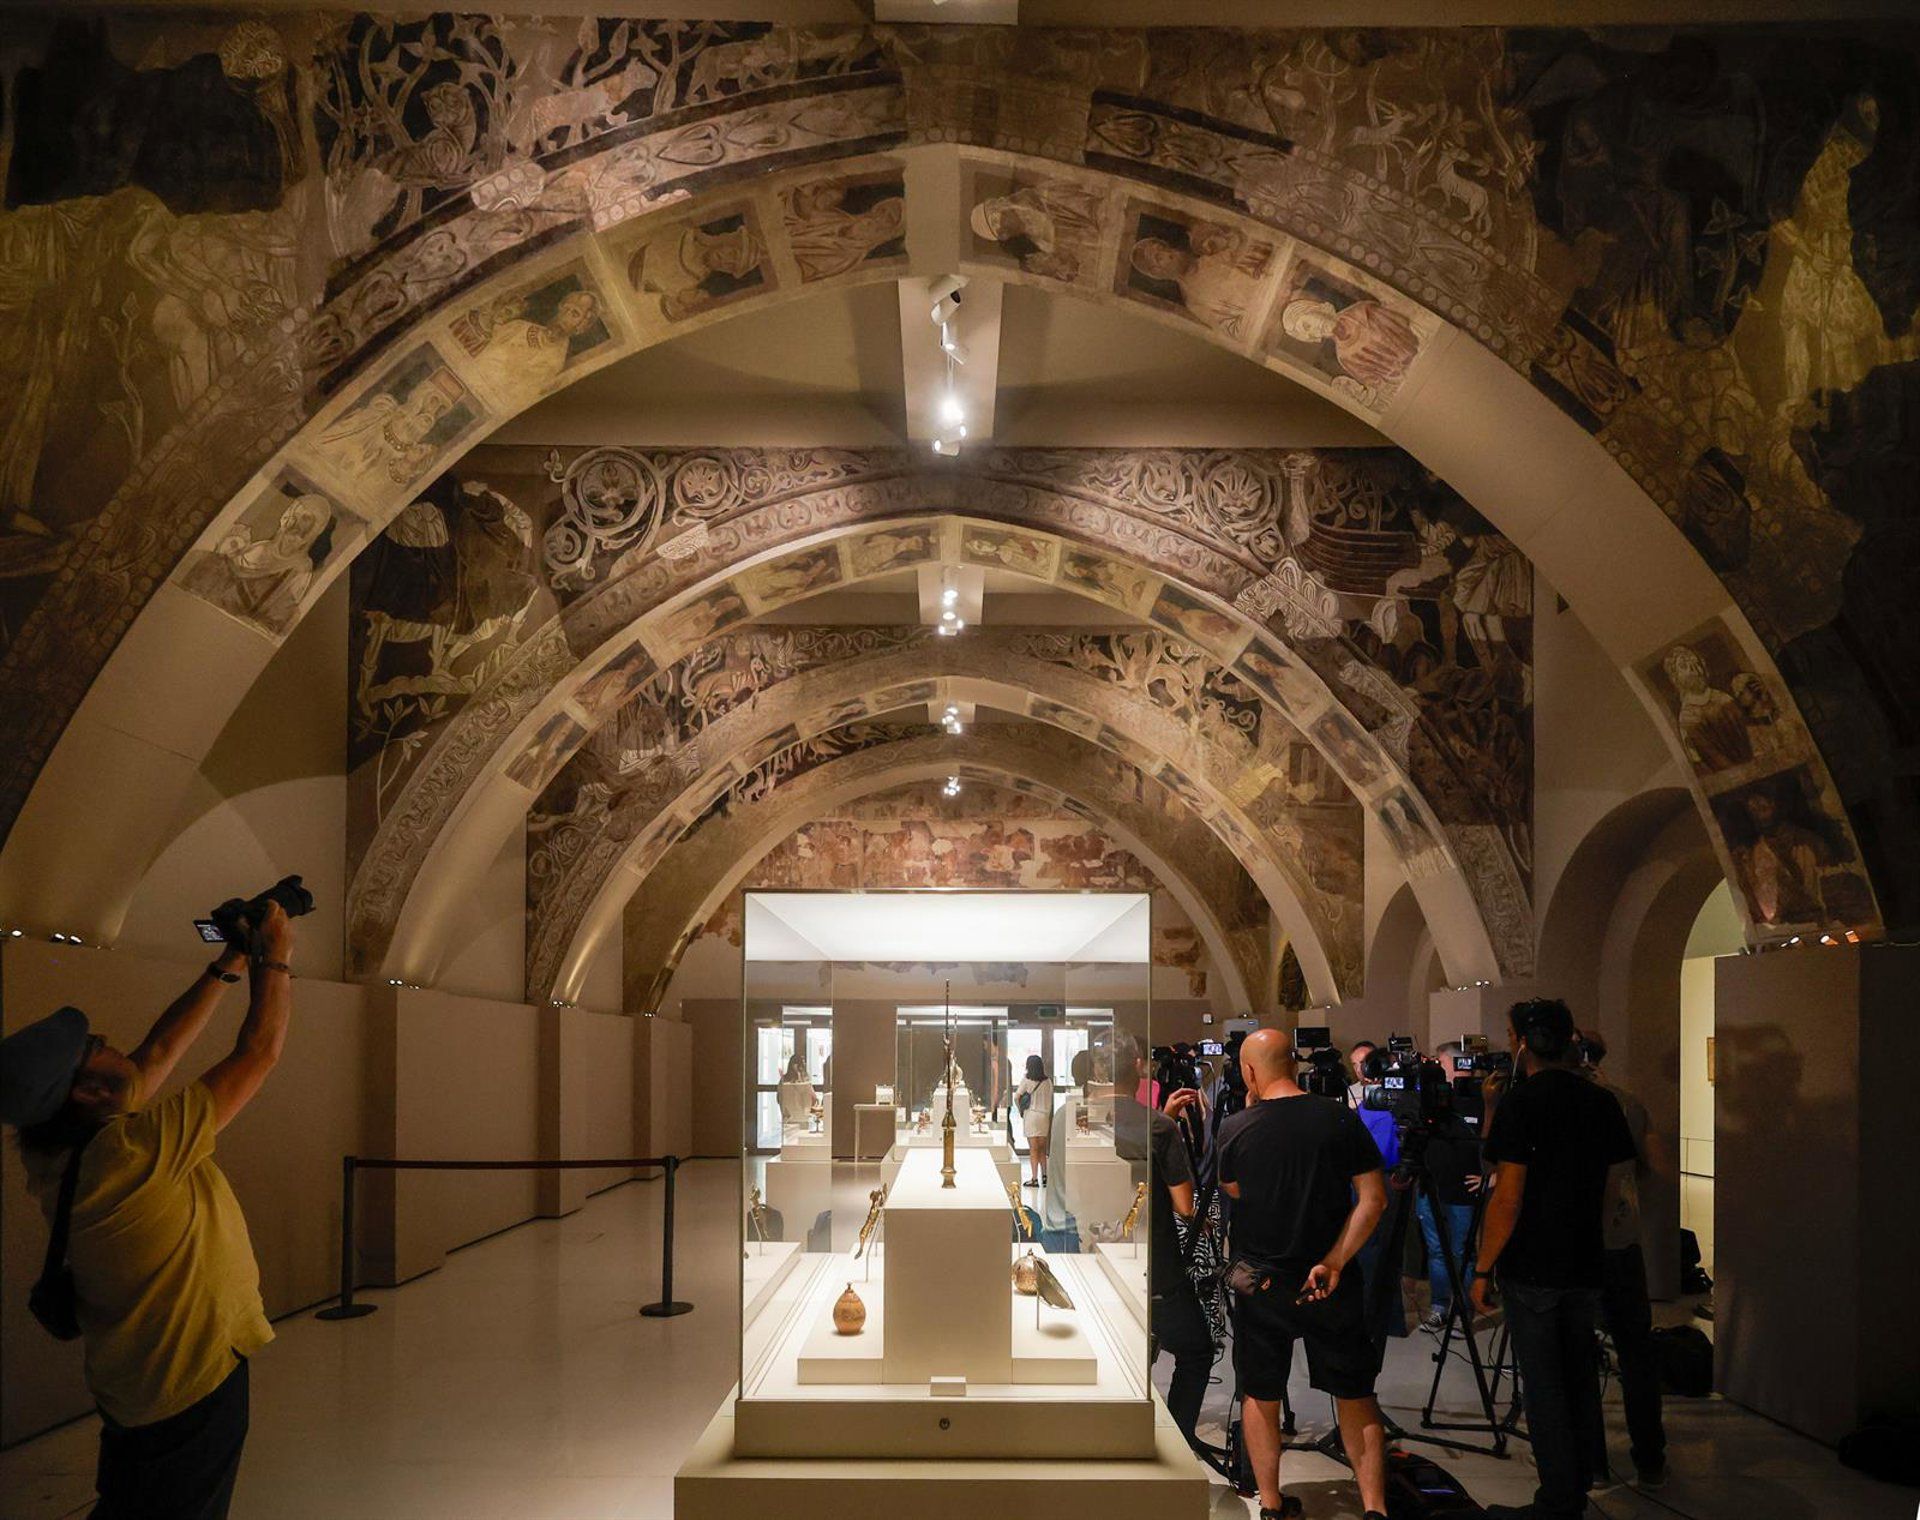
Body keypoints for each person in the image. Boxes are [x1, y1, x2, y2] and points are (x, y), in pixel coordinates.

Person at [0, 901, 296, 1520]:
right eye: (97, 1046)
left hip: (134, 1384)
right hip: (189, 1381)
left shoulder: (57, 1151)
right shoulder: (132, 1152)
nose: (114, 1046)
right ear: (90, 1091)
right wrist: (277, 957)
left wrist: (230, 961)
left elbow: (158, 1051)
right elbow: (258, 1054)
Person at [1472, 1000, 1638, 1520]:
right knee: (1579, 1372)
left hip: (1533, 1264)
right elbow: (1613, 1184)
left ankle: (1558, 1500)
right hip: (1585, 1259)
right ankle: (1585, 1473)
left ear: (1523, 1042)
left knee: (1544, 1384)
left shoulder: (1522, 1103)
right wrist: (1594, 1236)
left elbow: (1509, 1196)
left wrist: (1482, 1268)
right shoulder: (1601, 1101)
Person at [1218, 1030, 1391, 1520]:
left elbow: (1233, 1189)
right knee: (1355, 1392)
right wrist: (1335, 1259)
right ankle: (1375, 1508)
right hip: (1329, 1280)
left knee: (1260, 1392)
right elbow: (1374, 1200)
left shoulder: (1235, 1127)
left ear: (1249, 1071)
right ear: (1293, 1065)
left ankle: (1271, 1504)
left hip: (1263, 1280)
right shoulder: (1339, 1118)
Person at [1579, 1031, 1668, 1489]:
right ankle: (1650, 1457)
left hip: (1575, 1248)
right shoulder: (1628, 1103)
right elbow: (1655, 1169)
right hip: (1621, 1241)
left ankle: (1593, 1463)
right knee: (1635, 1353)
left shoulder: (1560, 1102)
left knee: (1578, 1355)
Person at [1112, 1038, 1210, 1451]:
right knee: (1198, 1351)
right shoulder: (1157, 1126)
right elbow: (1185, 1205)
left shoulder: (1075, 1116)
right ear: (1137, 1067)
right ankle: (1178, 1444)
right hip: (1153, 1262)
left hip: (1099, 1252)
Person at [1415, 1041, 1483, 1331]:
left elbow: (1494, 1142)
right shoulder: (1430, 1101)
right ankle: (1440, 1307)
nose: (1436, 1068)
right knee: (1436, 1251)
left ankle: (1463, 1311)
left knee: (1462, 1253)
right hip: (1430, 1187)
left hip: (1464, 1191)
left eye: (1440, 1063)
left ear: (1457, 1065)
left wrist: (1490, 1177)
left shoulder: (1481, 1098)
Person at [1014, 1053, 1052, 1188]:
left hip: (1031, 1115)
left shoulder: (1027, 1080)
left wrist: (1021, 1109)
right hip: (1044, 1116)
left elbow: (1016, 1097)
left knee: (1033, 1149)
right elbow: (1050, 1100)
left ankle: (1034, 1178)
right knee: (1042, 1148)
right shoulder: (1048, 1082)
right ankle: (1045, 1176)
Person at [1345, 1039, 1378, 1108]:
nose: (1358, 1069)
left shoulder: (1390, 1087)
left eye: (1362, 1063)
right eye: (1354, 1064)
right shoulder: (1349, 1092)